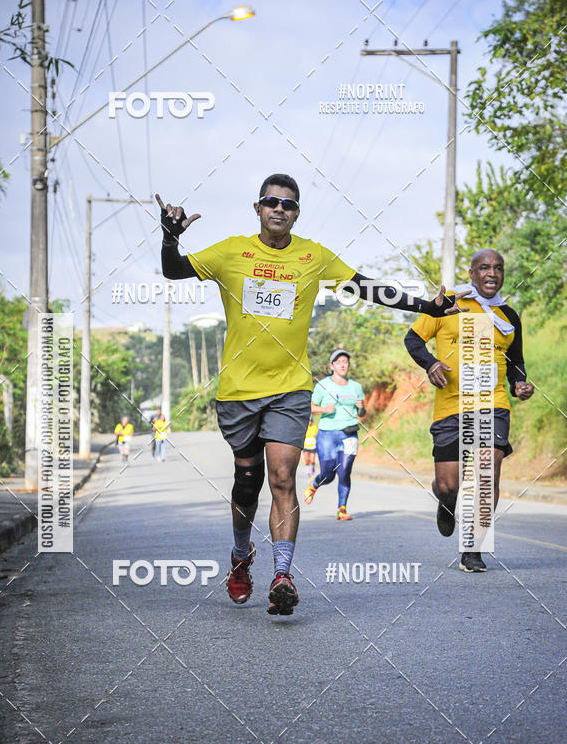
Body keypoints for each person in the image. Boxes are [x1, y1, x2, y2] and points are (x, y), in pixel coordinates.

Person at [156, 173, 462, 615]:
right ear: (257, 208)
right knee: (248, 483)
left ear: (297, 213)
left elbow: (366, 287)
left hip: (291, 390)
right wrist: (169, 238)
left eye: (288, 204)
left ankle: (283, 574)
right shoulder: (231, 253)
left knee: (283, 477)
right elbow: (173, 270)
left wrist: (426, 306)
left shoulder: (312, 257)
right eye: (271, 202)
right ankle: (241, 556)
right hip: (238, 391)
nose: (279, 209)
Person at [404, 248, 534, 572]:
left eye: (499, 268)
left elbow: (515, 363)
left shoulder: (509, 316)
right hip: (451, 405)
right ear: (472, 272)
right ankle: (446, 503)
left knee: (487, 473)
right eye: (485, 267)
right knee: (449, 484)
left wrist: (520, 384)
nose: (492, 273)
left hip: (493, 403)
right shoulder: (449, 302)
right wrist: (430, 363)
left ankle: (473, 550)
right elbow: (413, 339)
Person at [303, 349, 366, 520]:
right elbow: (310, 407)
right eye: (339, 362)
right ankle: (315, 484)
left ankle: (342, 509)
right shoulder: (322, 385)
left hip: (349, 434)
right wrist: (324, 409)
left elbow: (362, 414)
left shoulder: (356, 387)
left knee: (344, 471)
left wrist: (361, 406)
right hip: (327, 435)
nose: (343, 364)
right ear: (332, 366)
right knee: (328, 474)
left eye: (345, 361)